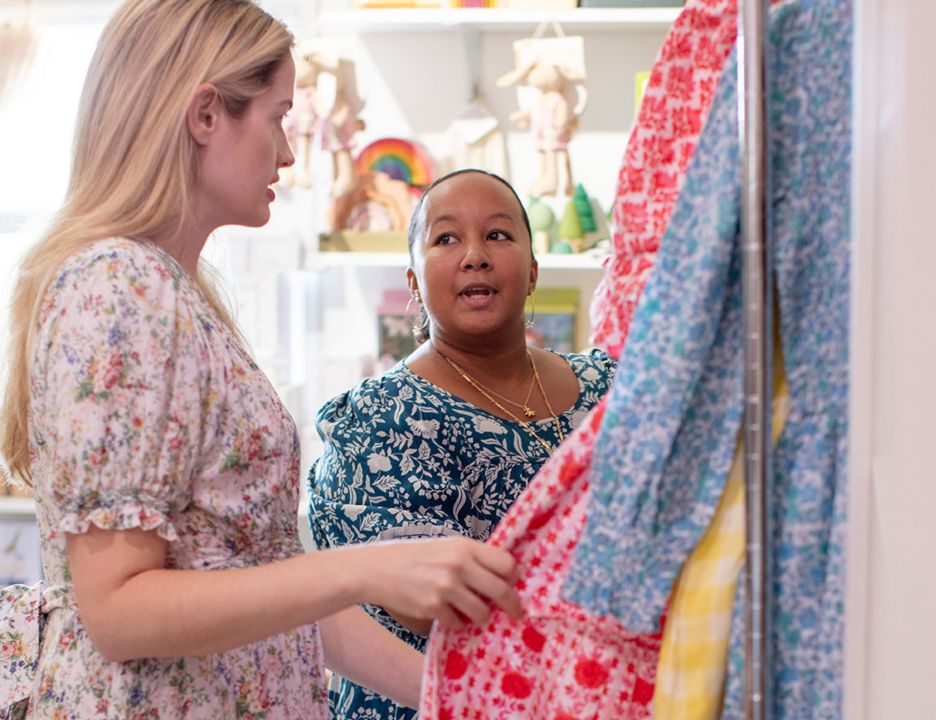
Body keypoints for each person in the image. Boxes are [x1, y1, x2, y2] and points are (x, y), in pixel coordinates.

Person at [0, 3, 521, 718]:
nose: (287, 151)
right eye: (277, 117)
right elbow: (118, 611)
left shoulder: (177, 295)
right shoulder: (118, 285)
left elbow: (266, 583)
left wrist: (457, 701)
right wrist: (366, 568)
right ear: (206, 114)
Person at [307, 168, 618, 719]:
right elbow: (440, 610)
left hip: (602, 693)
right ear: (413, 284)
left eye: (498, 235)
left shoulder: (607, 387)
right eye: (446, 238)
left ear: (533, 273)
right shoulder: (380, 421)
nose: (475, 254)